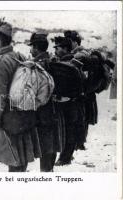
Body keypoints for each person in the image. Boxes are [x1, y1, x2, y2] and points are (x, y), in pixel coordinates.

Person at [0, 21, 41, 172]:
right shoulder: (20, 56)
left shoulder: (1, 62)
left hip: (9, 117)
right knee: (22, 157)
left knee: (13, 159)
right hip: (25, 112)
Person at [28, 33, 65, 172]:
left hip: (43, 112)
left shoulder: (37, 66)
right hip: (56, 110)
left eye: (31, 47)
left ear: (36, 48)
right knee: (53, 144)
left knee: (45, 146)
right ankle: (49, 171)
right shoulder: (54, 61)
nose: (30, 50)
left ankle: (46, 175)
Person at [52, 36, 86, 166]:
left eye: (58, 48)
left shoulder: (74, 62)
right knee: (67, 129)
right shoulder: (63, 61)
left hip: (71, 103)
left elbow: (79, 84)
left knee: (69, 130)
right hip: (66, 102)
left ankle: (65, 158)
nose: (56, 50)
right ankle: (65, 156)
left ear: (66, 49)